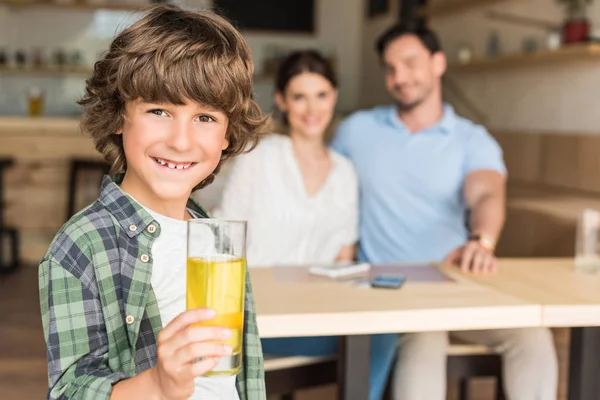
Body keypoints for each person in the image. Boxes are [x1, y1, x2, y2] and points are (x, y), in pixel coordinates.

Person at [38, 5, 269, 400]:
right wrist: (159, 385)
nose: (180, 141)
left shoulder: (214, 238)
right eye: (159, 110)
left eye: (205, 118)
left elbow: (239, 375)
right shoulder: (81, 246)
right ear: (118, 116)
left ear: (228, 134)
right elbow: (70, 392)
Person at [331, 24, 558, 400]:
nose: (399, 77)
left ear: (438, 63)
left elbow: (486, 193)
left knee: (532, 336)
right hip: (387, 286)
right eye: (390, 68)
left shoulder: (471, 138)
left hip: (454, 281)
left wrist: (481, 241)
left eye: (409, 63)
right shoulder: (357, 131)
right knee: (426, 337)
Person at [214, 50, 397, 400]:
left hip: (314, 316)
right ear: (282, 100)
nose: (312, 109)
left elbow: (344, 256)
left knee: (383, 330)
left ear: (334, 96)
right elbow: (225, 237)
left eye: (321, 95)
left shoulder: (344, 171)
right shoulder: (258, 155)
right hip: (255, 320)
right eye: (300, 97)